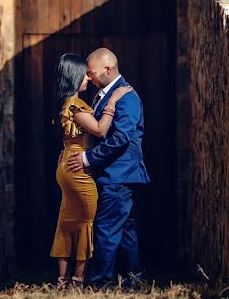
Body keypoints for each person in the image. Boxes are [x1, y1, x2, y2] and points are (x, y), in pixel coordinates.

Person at [66, 48, 150, 288]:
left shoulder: (127, 97)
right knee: (124, 230)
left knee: (106, 229)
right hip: (116, 173)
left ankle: (99, 283)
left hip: (119, 174)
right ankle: (133, 281)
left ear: (107, 69)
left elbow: (121, 137)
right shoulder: (104, 95)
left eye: (91, 73)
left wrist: (88, 158)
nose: (89, 77)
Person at [50, 53, 132, 288]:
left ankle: (62, 281)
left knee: (66, 221)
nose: (88, 77)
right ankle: (78, 280)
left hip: (67, 162)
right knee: (86, 221)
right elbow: (99, 130)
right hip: (78, 169)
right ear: (74, 76)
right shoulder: (75, 103)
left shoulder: (67, 102)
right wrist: (113, 102)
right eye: (84, 74)